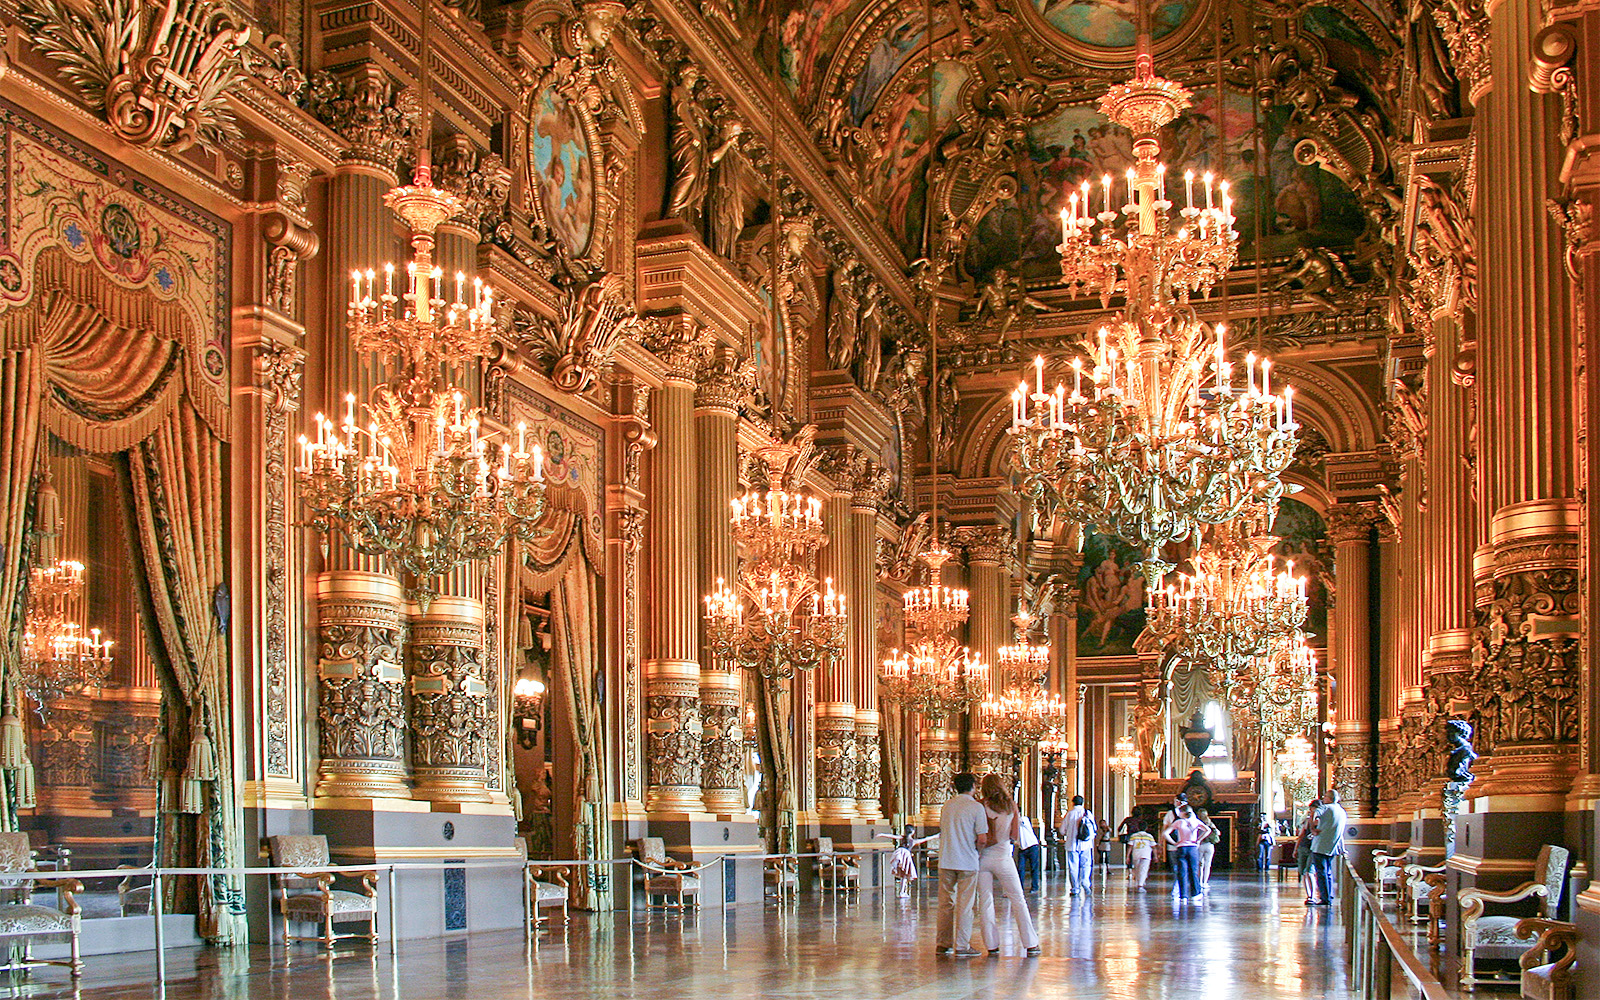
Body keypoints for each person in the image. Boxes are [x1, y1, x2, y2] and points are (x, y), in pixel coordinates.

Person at [974, 773, 1041, 957]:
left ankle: (992, 945)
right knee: (1018, 899)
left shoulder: (980, 805)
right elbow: (1015, 835)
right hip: (1004, 856)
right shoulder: (1011, 805)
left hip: (983, 857)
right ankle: (1030, 943)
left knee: (985, 902)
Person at [935, 773, 989, 957]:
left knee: (945, 903)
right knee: (965, 904)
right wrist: (978, 852)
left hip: (946, 859)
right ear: (973, 786)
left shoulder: (947, 806)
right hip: (967, 861)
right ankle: (962, 945)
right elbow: (982, 838)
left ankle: (943, 943)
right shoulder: (976, 807)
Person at [1308, 788, 1347, 906]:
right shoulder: (1342, 811)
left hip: (1320, 845)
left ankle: (1325, 898)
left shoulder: (1326, 807)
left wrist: (1312, 828)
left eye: (1325, 797)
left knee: (1321, 872)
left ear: (1329, 798)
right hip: (1332, 846)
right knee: (1328, 872)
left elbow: (1314, 813)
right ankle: (1329, 895)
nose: (1323, 799)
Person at [877, 824, 935, 898]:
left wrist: (882, 834)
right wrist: (935, 836)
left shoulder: (903, 838)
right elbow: (926, 839)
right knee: (905, 875)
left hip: (900, 853)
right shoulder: (913, 841)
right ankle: (902, 891)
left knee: (903, 875)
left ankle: (896, 868)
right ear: (913, 832)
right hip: (906, 854)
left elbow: (892, 836)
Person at [1163, 802, 1206, 901]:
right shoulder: (1196, 821)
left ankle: (1183, 896)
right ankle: (1195, 894)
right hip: (1192, 848)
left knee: (1182, 872)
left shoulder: (1179, 822)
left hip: (1181, 848)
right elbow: (1207, 830)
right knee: (1193, 871)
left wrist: (1174, 843)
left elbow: (1165, 833)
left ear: (1182, 813)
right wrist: (1199, 840)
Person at [1059, 794, 1096, 896]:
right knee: (1086, 864)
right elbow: (1094, 829)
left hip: (1072, 845)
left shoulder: (1069, 814)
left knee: (1073, 866)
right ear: (1082, 803)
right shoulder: (1087, 813)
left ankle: (1075, 888)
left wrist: (1069, 832)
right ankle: (1085, 882)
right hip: (1086, 844)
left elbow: (1062, 830)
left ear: (1073, 803)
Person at [1295, 798, 1321, 904]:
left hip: (1314, 848)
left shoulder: (1322, 821)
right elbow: (1301, 835)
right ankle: (1309, 895)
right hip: (1303, 846)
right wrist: (1296, 848)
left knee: (1309, 871)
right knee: (1304, 872)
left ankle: (1313, 895)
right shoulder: (1307, 821)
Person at [1015, 808, 1043, 893]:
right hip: (1022, 848)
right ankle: (1020, 888)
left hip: (1032, 846)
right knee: (1020, 868)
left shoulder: (1024, 819)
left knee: (1034, 867)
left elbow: (1019, 821)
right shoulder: (1013, 823)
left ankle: (1035, 887)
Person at [1126, 819, 1157, 890]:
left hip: (1136, 855)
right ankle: (1140, 884)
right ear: (1146, 828)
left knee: (1137, 869)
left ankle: (1139, 882)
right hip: (1146, 855)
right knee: (1144, 869)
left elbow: (1130, 847)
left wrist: (1127, 856)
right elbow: (1153, 847)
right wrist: (1155, 856)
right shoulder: (1149, 836)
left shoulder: (1134, 836)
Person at [1196, 808, 1221, 891]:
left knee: (1200, 865)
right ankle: (1205, 882)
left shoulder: (1196, 822)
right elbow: (1218, 833)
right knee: (1207, 865)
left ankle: (1199, 882)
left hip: (1200, 845)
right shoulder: (1210, 823)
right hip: (1209, 845)